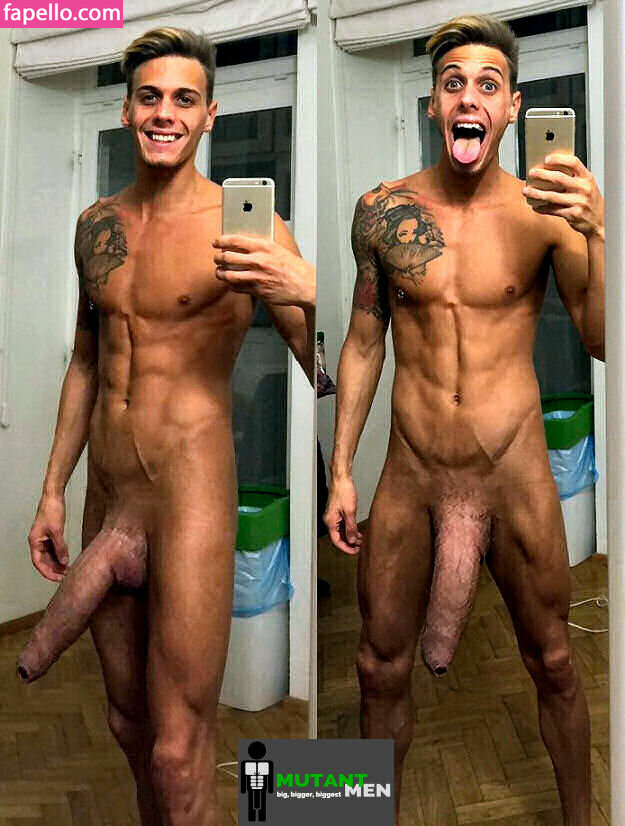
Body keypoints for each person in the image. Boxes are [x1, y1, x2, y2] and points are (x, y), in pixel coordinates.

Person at [25, 27, 314, 826]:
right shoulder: (96, 225)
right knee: (128, 725)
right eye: (149, 97)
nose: (165, 113)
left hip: (190, 494)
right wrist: (51, 491)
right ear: (126, 110)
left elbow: (323, 373)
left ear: (209, 114)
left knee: (179, 753)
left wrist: (305, 290)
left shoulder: (248, 226)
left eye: (184, 99)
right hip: (106, 495)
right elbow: (86, 362)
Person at [324, 14, 604, 826]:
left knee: (553, 661)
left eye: (487, 84)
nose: (468, 97)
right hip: (410, 474)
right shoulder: (382, 211)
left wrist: (599, 233)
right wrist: (340, 469)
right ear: (432, 104)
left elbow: (600, 340)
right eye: (453, 84)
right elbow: (363, 341)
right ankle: (364, 811)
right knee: (377, 667)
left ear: (511, 107)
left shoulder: (546, 213)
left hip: (512, 472)